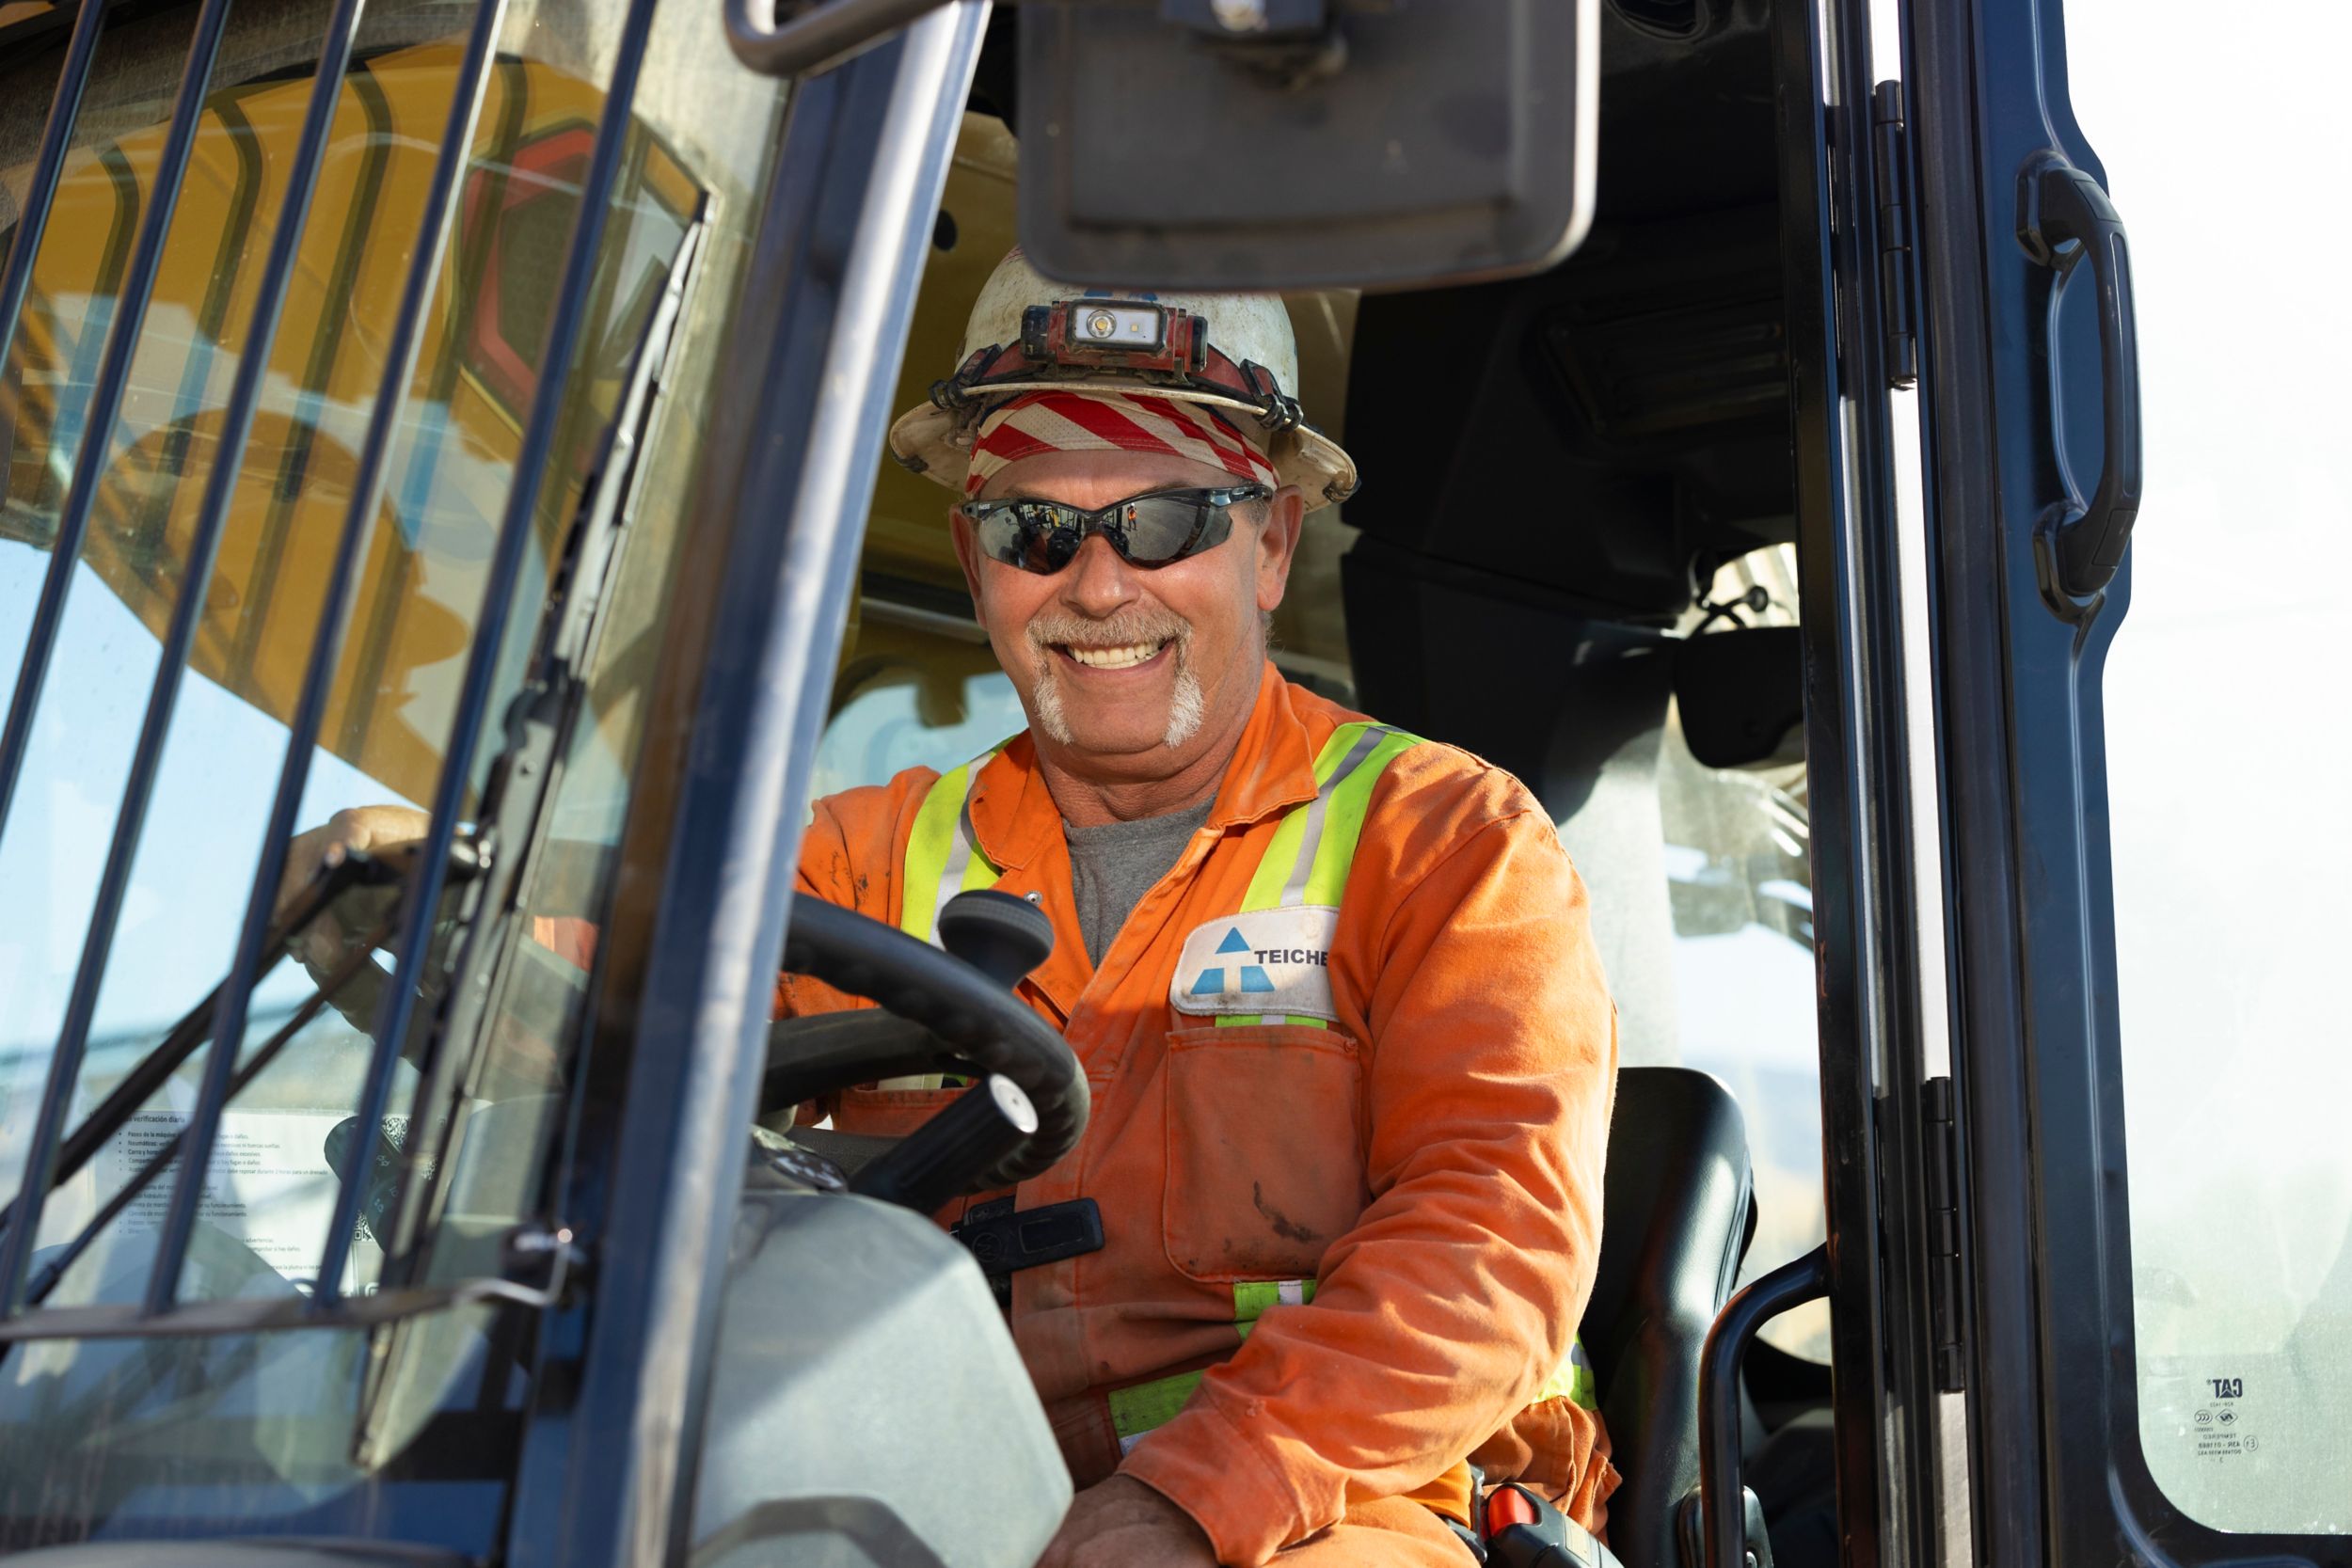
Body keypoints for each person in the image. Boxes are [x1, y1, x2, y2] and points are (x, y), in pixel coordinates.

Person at [285, 251, 1619, 1567]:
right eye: (1035, 530)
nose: (1098, 587)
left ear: (1268, 543)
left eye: (1164, 523)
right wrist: (449, 908)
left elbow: (1492, 1236)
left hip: (1332, 1499)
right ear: (977, 565)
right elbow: (624, 986)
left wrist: (1197, 1494)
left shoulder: (1443, 839)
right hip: (924, 1473)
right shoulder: (861, 858)